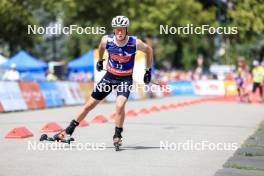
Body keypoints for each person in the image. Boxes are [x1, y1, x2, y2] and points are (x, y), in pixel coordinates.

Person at [54, 16, 153, 147]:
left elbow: (149, 50)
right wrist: (100, 60)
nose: (119, 32)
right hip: (109, 77)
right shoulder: (107, 40)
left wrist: (148, 70)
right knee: (89, 105)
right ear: (114, 30)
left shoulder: (135, 42)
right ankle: (68, 129)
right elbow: (101, 47)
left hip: (125, 79)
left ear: (126, 30)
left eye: (122, 30)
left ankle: (118, 135)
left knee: (120, 104)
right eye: (117, 30)